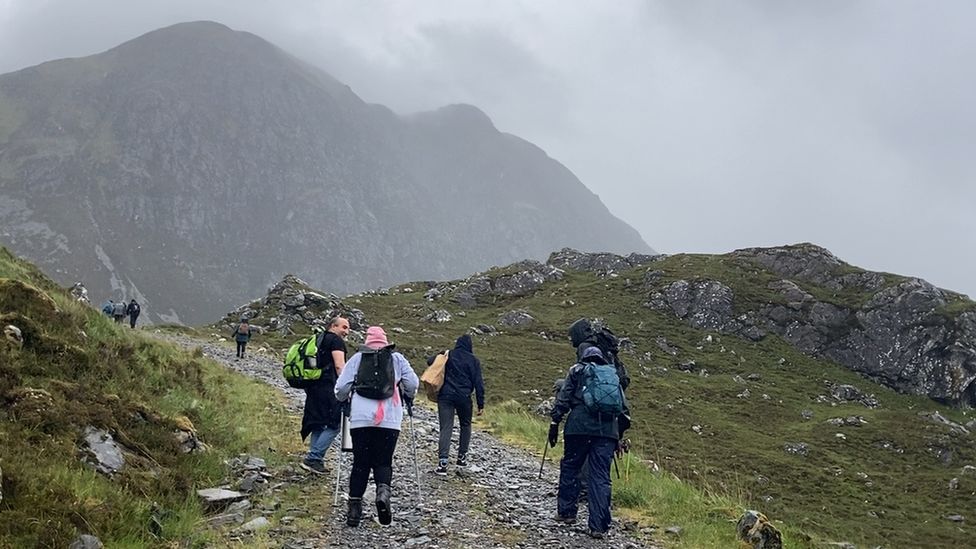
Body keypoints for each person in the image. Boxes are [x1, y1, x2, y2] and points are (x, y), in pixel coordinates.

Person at [335, 326, 419, 527]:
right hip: (390, 420)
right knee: (383, 461)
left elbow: (340, 388)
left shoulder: (357, 359)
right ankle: (382, 495)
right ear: (385, 341)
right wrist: (408, 396)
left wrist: (344, 399)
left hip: (361, 419)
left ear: (367, 341)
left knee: (361, 462)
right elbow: (413, 383)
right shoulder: (397, 359)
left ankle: (354, 511)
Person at [549, 347, 630, 539]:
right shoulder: (612, 375)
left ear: (584, 357)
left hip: (578, 427)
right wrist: (617, 436)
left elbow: (564, 398)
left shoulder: (576, 370)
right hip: (607, 432)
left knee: (571, 467)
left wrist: (555, 422)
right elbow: (624, 410)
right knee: (600, 476)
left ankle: (567, 513)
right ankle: (598, 526)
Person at [300, 316, 350, 475]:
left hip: (313, 386)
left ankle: (315, 461)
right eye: (344, 327)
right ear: (333, 326)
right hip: (330, 388)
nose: (346, 332)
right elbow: (339, 365)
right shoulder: (336, 341)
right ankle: (314, 458)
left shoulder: (318, 338)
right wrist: (346, 387)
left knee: (318, 423)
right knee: (334, 425)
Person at [435, 334, 485, 475]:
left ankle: (442, 463)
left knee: (446, 427)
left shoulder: (448, 355)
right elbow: (479, 384)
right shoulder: (473, 360)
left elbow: (430, 362)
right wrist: (481, 404)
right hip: (464, 397)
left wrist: (441, 354)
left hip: (445, 396)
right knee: (465, 425)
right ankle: (461, 458)